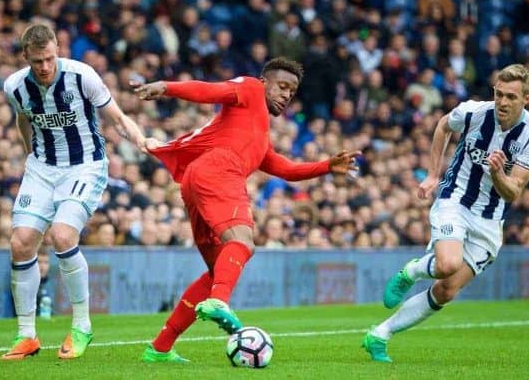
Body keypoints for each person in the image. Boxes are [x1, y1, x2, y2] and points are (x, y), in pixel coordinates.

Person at [131, 57, 360, 363]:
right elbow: (211, 91)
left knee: (217, 271)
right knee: (242, 241)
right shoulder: (251, 88)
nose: (286, 94)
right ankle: (219, 302)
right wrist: (166, 87)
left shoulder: (259, 135)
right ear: (265, 82)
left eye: (291, 91)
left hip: (196, 181)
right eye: (282, 86)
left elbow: (287, 169)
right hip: (218, 170)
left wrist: (327, 167)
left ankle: (159, 347)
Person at [362, 64, 529, 362]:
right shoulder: (473, 112)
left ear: (526, 99)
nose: (502, 102)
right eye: (499, 94)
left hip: (490, 218)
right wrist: (433, 175)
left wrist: (498, 172)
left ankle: (379, 335)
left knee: (446, 291)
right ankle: (411, 271)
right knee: (447, 264)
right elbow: (442, 126)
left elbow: (513, 192)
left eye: (511, 97)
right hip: (455, 200)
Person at [1, 24, 146, 360]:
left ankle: (81, 325)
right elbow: (23, 118)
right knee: (20, 242)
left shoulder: (83, 77)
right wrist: (29, 154)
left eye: (50, 58)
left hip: (85, 166)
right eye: (37, 61)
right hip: (41, 167)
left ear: (58, 50)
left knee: (63, 236)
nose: (45, 67)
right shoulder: (15, 87)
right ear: (26, 57)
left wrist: (140, 141)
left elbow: (117, 118)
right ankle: (27, 336)